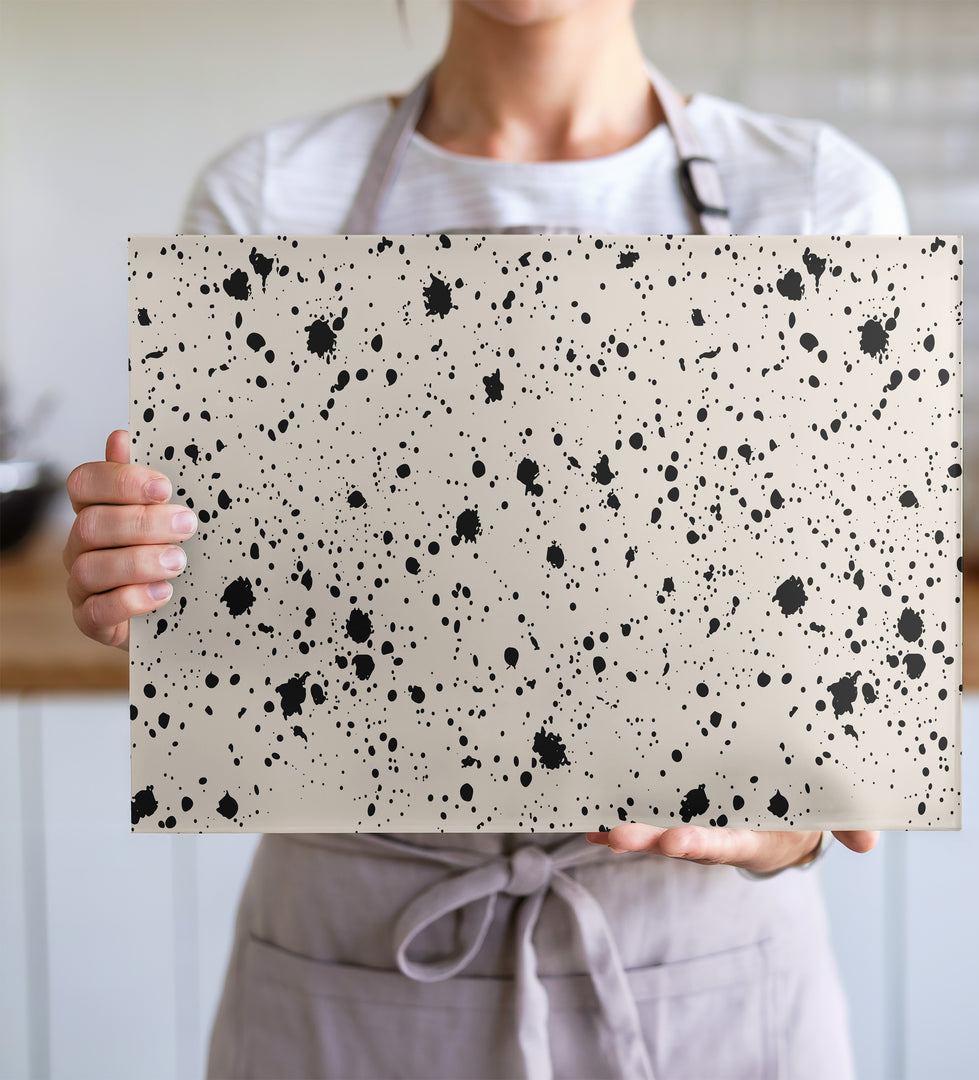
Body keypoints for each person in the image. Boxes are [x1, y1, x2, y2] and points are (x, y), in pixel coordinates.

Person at [65, 2, 905, 1076]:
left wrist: (786, 829)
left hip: (705, 979)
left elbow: (831, 729)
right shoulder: (268, 195)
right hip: (343, 966)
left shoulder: (824, 198)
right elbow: (229, 647)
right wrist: (142, 590)